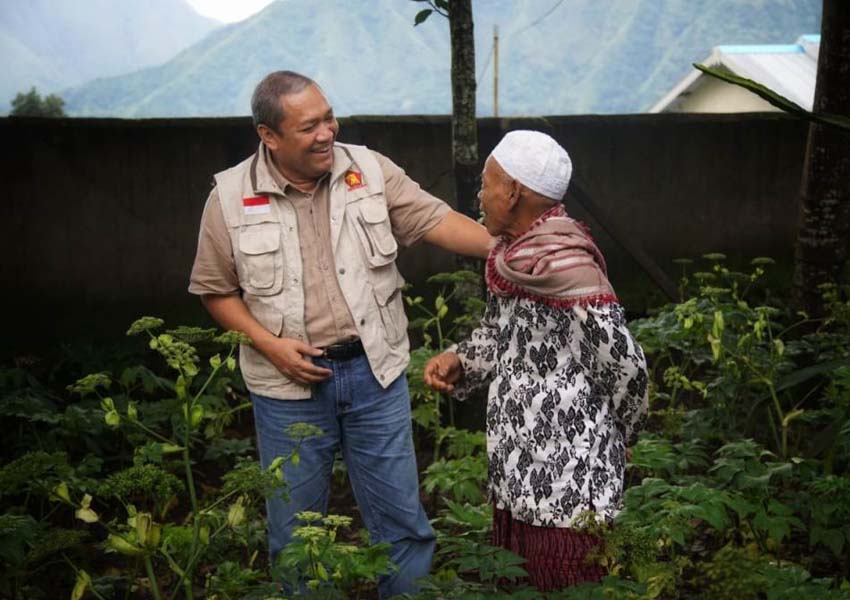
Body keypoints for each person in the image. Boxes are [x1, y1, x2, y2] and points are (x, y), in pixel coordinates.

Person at [188, 70, 492, 598]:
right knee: (296, 536)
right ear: (269, 135)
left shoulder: (369, 169)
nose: (327, 133)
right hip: (288, 388)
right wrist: (269, 345)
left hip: (375, 373)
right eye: (309, 126)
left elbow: (436, 220)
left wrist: (512, 250)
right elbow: (216, 291)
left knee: (402, 525)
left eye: (329, 118)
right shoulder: (230, 196)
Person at [423, 130, 649, 591]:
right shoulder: (514, 256)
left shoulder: (566, 267)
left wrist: (622, 433)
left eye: (486, 183)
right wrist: (461, 359)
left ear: (514, 192)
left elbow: (626, 367)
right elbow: (502, 333)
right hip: (519, 461)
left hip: (567, 471)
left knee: (567, 580)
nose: (479, 195)